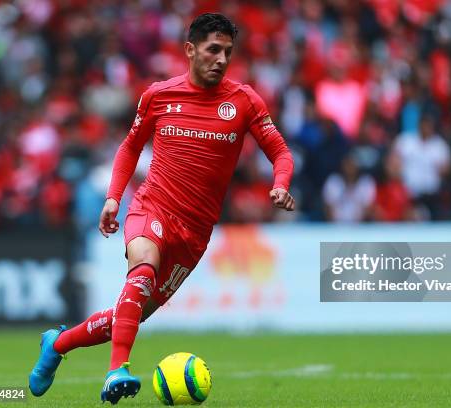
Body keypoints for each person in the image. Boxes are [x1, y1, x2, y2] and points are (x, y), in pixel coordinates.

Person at [28, 13, 294, 404]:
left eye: (228, 52)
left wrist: (280, 185)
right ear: (190, 50)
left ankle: (58, 343)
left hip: (195, 233)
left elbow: (281, 152)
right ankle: (116, 370)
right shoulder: (158, 95)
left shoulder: (244, 100)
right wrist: (114, 198)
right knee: (143, 271)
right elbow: (130, 147)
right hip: (151, 207)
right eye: (213, 50)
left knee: (129, 314)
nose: (221, 59)